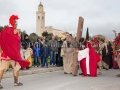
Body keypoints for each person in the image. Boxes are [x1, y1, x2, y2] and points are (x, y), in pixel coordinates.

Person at [0, 15, 29, 89]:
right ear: (14, 23)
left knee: (3, 69)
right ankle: (16, 82)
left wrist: (1, 51)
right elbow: (17, 43)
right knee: (15, 68)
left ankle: (16, 82)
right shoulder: (17, 32)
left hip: (5, 54)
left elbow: (1, 42)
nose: (16, 25)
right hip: (13, 54)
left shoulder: (3, 31)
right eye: (16, 24)